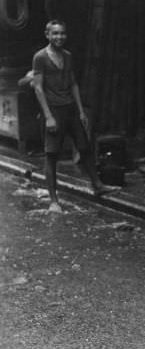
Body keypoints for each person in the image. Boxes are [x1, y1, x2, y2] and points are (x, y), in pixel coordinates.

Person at [30, 19, 117, 212]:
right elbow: (38, 87)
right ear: (47, 35)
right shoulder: (40, 57)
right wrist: (48, 116)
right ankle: (53, 200)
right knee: (52, 155)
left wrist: (80, 110)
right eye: (55, 33)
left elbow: (73, 84)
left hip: (70, 109)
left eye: (62, 33)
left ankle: (98, 185)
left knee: (84, 147)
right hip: (54, 110)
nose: (59, 37)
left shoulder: (67, 56)